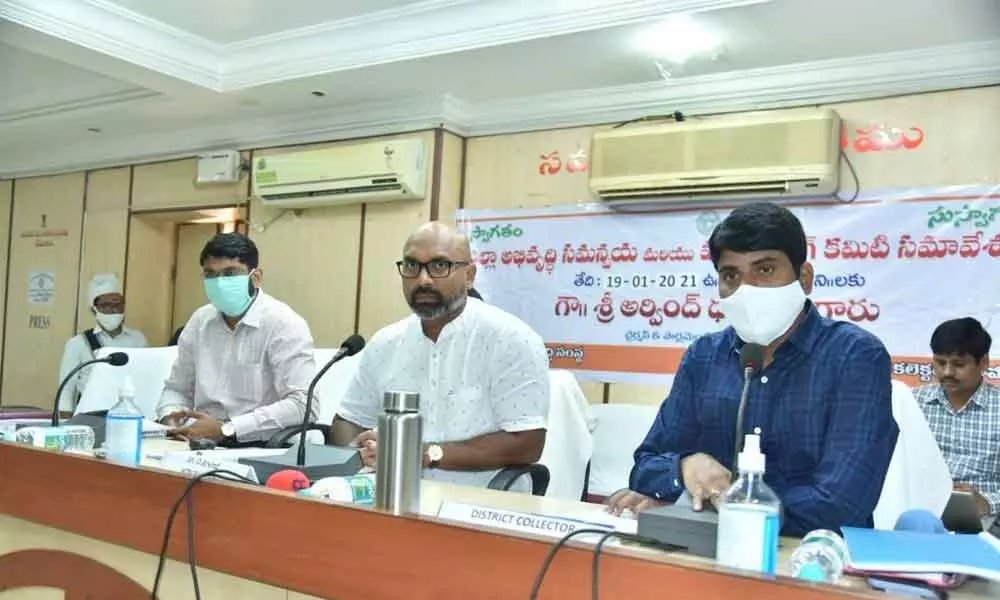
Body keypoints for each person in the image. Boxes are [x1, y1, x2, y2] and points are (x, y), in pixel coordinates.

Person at [607, 202, 897, 535]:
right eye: (731, 276)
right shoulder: (704, 356)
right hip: (709, 554)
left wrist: (726, 498)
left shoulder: (855, 356)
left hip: (813, 562)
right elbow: (646, 465)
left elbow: (840, 504)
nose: (747, 289)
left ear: (804, 278)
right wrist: (685, 468)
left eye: (765, 269)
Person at [330, 222, 549, 488]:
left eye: (439, 266)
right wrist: (356, 452)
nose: (423, 280)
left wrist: (420, 453)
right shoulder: (386, 342)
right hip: (388, 493)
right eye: (412, 266)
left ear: (469, 275)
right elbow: (348, 420)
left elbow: (526, 444)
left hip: (483, 500)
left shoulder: (511, 338)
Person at [155, 233, 317, 444]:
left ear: (256, 277)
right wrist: (170, 417)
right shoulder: (200, 320)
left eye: (230, 273)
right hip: (200, 440)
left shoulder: (284, 324)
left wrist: (228, 428)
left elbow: (304, 405)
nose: (220, 283)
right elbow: (177, 388)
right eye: (210, 274)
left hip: (261, 444)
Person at [915, 318, 999, 518]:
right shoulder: (913, 402)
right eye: (940, 362)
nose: (947, 372)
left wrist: (987, 503)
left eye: (959, 364)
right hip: (919, 508)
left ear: (984, 363)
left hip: (987, 518)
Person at [57, 274, 147, 412]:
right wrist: (64, 419)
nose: (114, 310)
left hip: (128, 411)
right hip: (90, 413)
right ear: (94, 309)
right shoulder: (78, 343)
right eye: (106, 305)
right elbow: (66, 390)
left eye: (118, 304)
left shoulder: (138, 339)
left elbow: (145, 376)